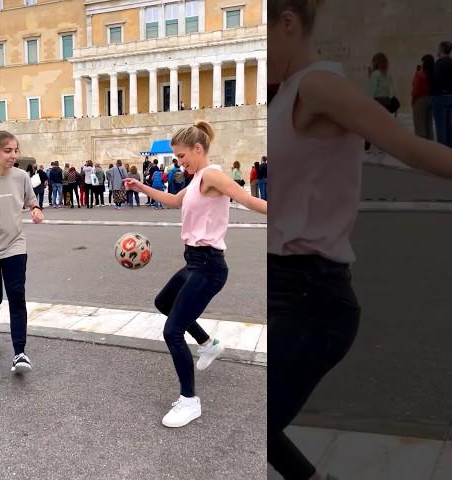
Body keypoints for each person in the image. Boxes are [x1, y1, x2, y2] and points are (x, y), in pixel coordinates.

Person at [268, 2, 452, 479]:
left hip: (312, 298)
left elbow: (410, 147)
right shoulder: (285, 90)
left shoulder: (318, 85)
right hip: (285, 287)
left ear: (287, 23)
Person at [124, 122, 266, 429]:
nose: (179, 162)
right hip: (193, 262)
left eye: (182, 155)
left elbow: (249, 201)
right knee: (164, 302)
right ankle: (208, 343)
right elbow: (175, 201)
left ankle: (189, 402)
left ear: (198, 149)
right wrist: (141, 187)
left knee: (172, 331)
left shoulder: (212, 175)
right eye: (177, 157)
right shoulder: (197, 178)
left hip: (209, 267)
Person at [0, 131, 44, 374]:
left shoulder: (22, 176)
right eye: (8, 151)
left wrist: (36, 210)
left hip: (15, 245)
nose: (14, 155)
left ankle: (19, 353)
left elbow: (31, 201)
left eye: (16, 150)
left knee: (16, 295)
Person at [432, 41, 452, 147]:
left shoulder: (439, 63)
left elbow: (435, 81)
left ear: (441, 50)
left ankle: (442, 152)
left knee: (441, 128)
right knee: (449, 126)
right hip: (450, 97)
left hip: (440, 97)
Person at [411, 55, 435, 140]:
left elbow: (416, 89)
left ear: (424, 62)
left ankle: (421, 149)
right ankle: (430, 148)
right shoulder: (434, 74)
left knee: (420, 126)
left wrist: (413, 100)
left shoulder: (419, 74)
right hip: (431, 99)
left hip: (420, 100)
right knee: (429, 126)